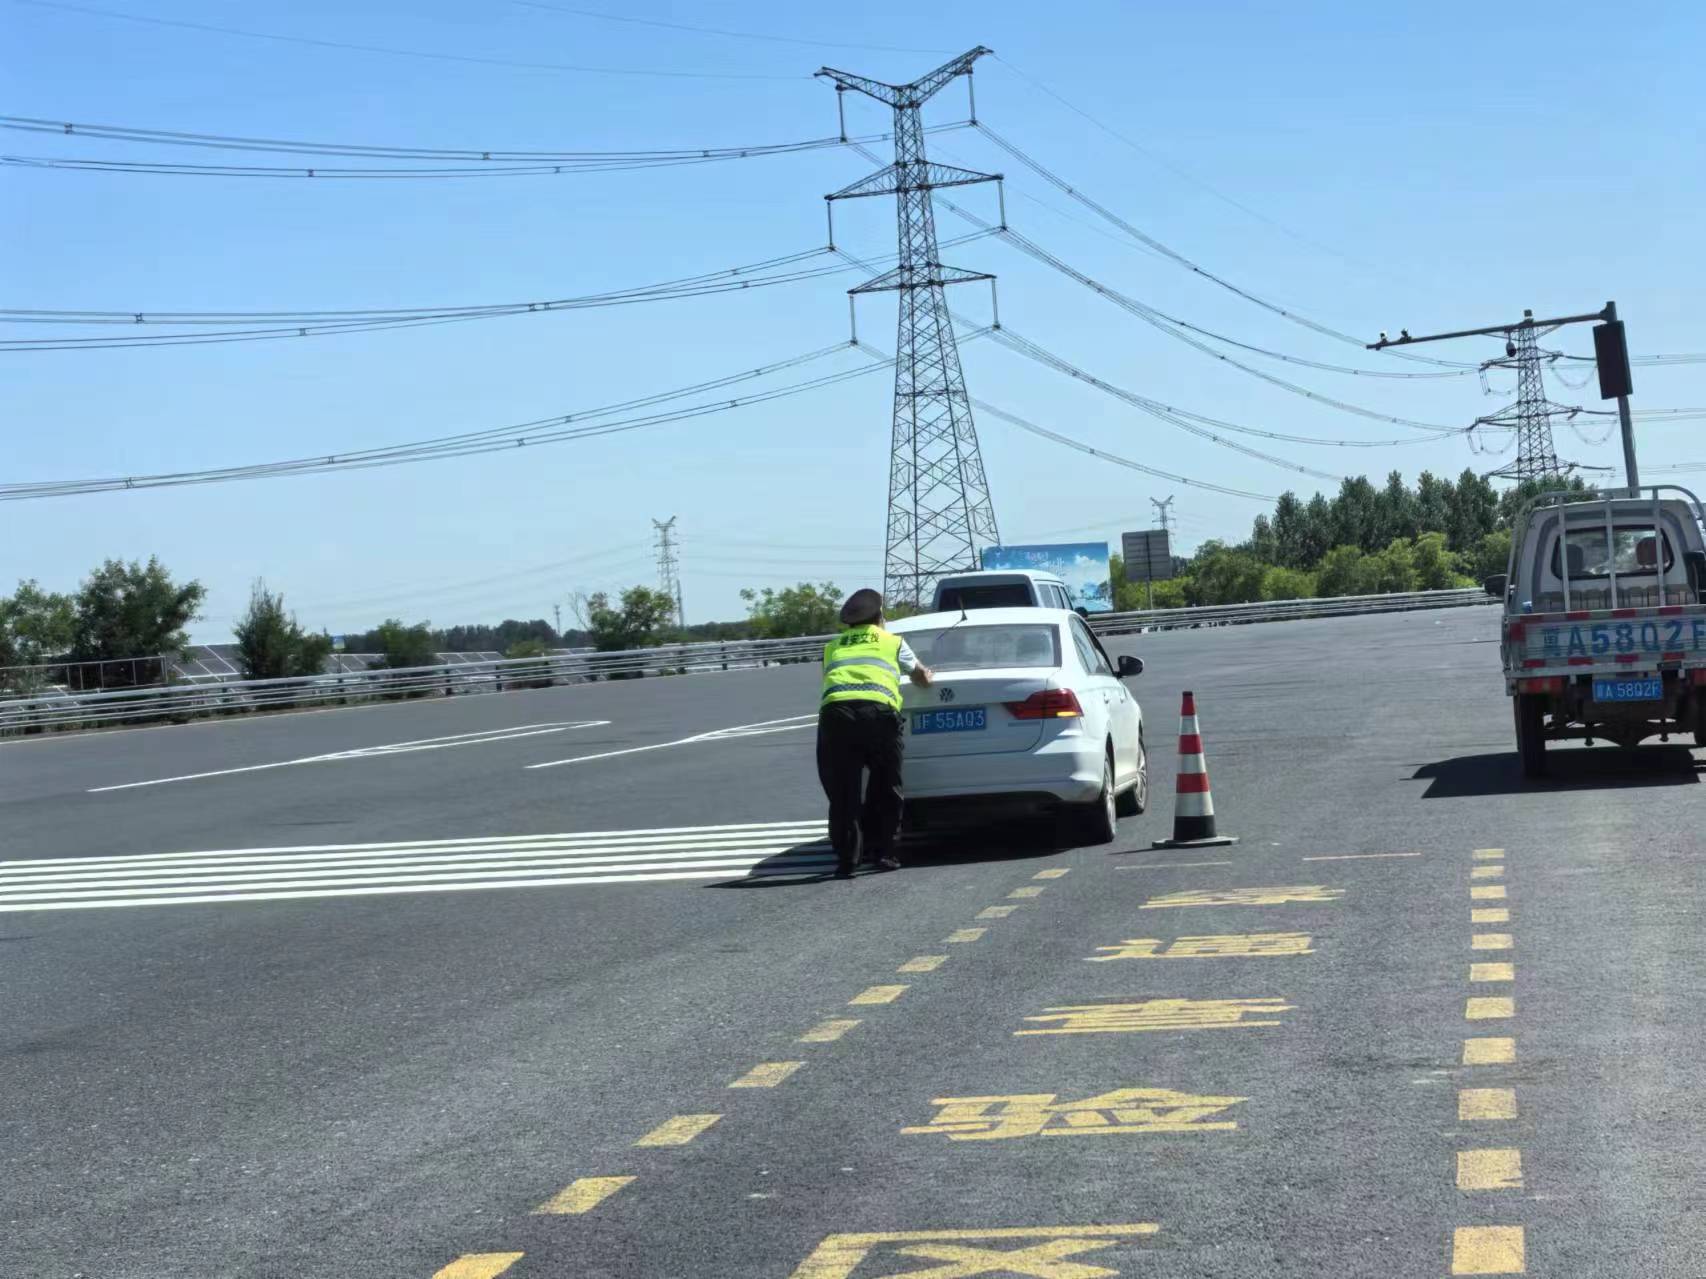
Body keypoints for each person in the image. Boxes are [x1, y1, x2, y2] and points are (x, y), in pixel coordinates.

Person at [817, 588, 932, 879]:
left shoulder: (833, 646)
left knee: (844, 793)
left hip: (836, 717)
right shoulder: (892, 642)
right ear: (881, 616)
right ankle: (885, 854)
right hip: (878, 716)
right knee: (886, 785)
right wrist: (928, 674)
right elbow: (920, 678)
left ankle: (847, 861)